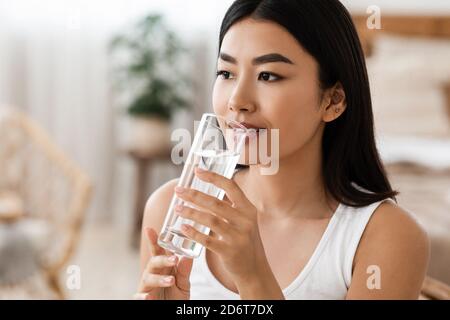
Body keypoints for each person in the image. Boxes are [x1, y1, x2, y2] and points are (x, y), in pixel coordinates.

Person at [136, 0, 429, 300]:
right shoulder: (172, 209)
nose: (238, 100)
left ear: (333, 101)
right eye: (226, 73)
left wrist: (254, 276)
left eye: (268, 75)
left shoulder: (388, 237)